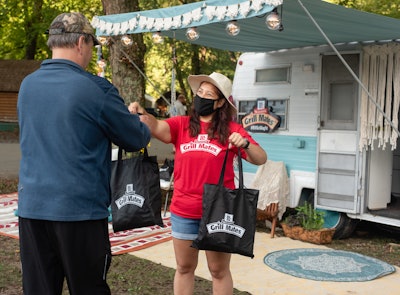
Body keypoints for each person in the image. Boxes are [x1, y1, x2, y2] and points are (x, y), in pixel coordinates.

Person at [17, 12, 151, 295]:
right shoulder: (95, 89)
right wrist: (140, 121)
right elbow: (134, 138)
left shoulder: (27, 86)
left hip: (32, 209)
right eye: (92, 45)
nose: (91, 52)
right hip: (79, 212)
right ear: (81, 42)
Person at [129, 72, 267, 294]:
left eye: (208, 94)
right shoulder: (181, 125)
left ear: (220, 102)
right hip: (184, 210)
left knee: (218, 271)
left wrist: (245, 144)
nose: (201, 97)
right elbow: (155, 126)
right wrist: (141, 113)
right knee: (184, 267)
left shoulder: (232, 130)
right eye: (199, 92)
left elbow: (261, 158)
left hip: (219, 211)